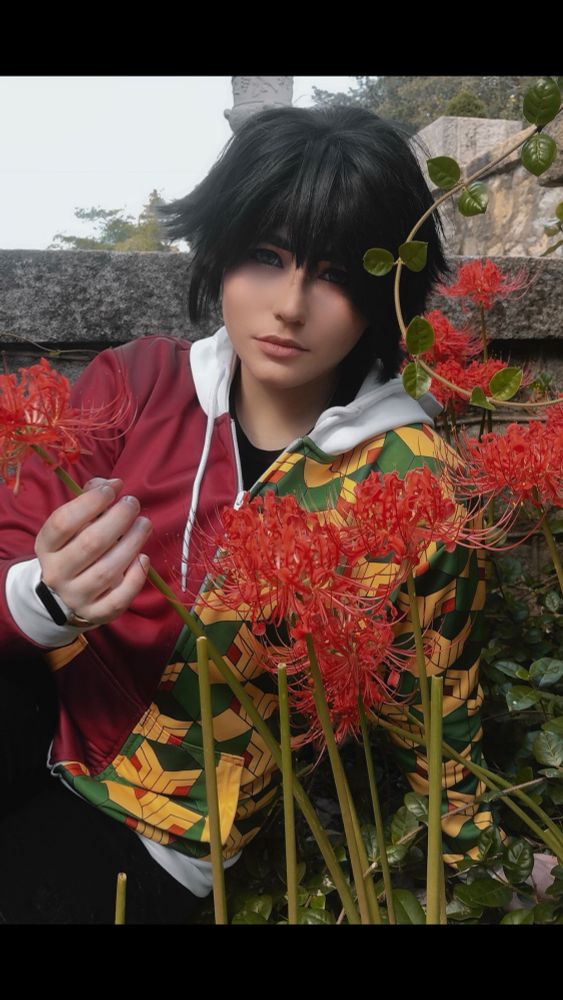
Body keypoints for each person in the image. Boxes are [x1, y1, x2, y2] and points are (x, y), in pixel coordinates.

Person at [0, 104, 505, 924]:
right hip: (38, 714)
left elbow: (440, 710)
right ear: (220, 251)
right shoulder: (136, 383)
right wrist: (44, 598)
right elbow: (10, 553)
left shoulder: (413, 479)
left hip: (163, 820)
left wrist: (478, 875)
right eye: (265, 257)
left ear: (383, 295)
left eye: (335, 274)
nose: (290, 307)